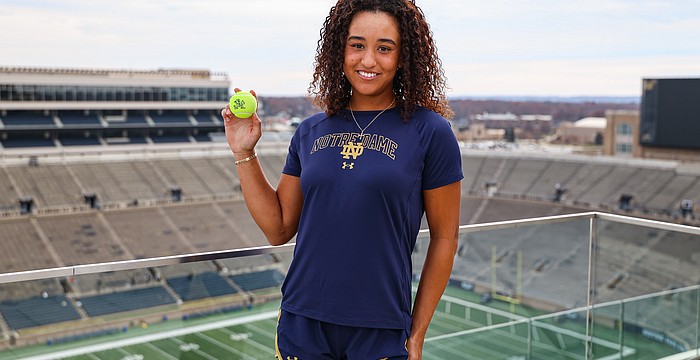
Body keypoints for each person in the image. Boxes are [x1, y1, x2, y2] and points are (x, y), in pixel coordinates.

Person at [221, 0, 462, 358]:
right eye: (357, 45)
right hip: (302, 322)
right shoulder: (310, 131)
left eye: (384, 48)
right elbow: (278, 229)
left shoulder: (431, 132)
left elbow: (445, 237)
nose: (368, 60)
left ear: (403, 56)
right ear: (340, 50)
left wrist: (418, 331)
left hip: (380, 327)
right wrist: (244, 151)